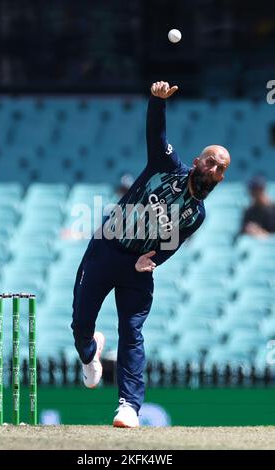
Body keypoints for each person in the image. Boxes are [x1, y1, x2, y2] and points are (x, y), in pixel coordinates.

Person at [71, 81, 231, 428]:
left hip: (137, 269)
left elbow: (172, 243)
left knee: (132, 331)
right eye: (212, 163)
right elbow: (156, 132)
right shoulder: (167, 165)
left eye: (221, 169)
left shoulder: (196, 215)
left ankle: (129, 406)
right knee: (81, 323)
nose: (215, 171)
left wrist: (153, 261)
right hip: (106, 248)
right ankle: (89, 351)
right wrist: (157, 102)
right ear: (197, 162)